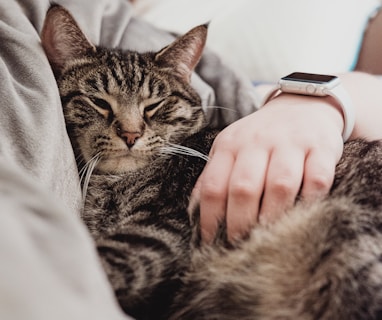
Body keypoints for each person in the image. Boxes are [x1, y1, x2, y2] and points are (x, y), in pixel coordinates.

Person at [1, 0, 382, 319]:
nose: (131, 132)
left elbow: (154, 252)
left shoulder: (195, 150)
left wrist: (312, 104)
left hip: (330, 223)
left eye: (156, 108)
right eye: (100, 105)